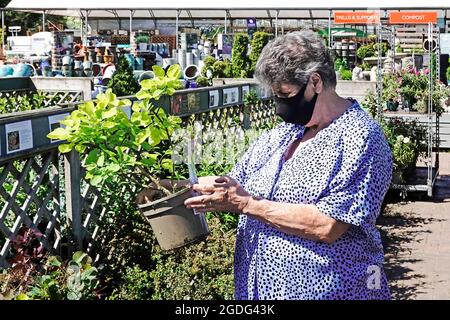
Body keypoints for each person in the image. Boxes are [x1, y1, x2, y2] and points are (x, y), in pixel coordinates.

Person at [137, 30, 393, 300]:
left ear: (315, 82)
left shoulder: (360, 138)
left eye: (285, 93)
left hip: (334, 291)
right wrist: (175, 188)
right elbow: (234, 184)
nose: (279, 106)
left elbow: (328, 225)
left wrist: (248, 205)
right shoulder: (286, 133)